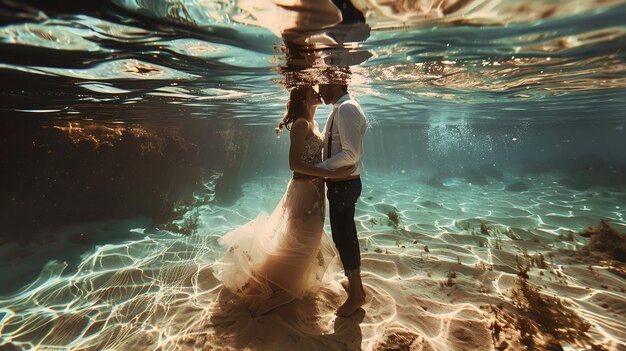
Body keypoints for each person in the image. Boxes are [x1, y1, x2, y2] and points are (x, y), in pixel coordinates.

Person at [212, 86, 353, 316]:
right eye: (311, 91)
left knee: (307, 238)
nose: (317, 92)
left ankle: (284, 282)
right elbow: (294, 165)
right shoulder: (300, 124)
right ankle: (275, 289)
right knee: (300, 239)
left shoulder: (314, 123)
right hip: (304, 190)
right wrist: (331, 174)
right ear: (302, 98)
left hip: (315, 188)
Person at [316, 71, 368, 317]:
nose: (319, 89)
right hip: (342, 183)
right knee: (344, 235)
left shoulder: (346, 109)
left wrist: (316, 170)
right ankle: (355, 284)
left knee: (344, 237)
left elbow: (351, 155)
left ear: (334, 82)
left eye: (322, 84)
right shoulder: (342, 107)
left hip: (344, 185)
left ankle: (357, 295)